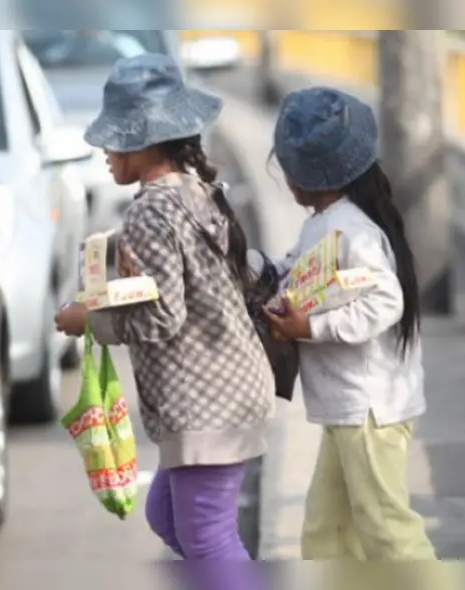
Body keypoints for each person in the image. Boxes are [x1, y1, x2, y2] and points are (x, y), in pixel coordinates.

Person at [53, 54, 275, 569]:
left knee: (208, 541)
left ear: (145, 140)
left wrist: (88, 321)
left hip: (206, 407)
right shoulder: (196, 192)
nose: (105, 151)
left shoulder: (150, 210)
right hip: (230, 391)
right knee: (168, 518)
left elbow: (161, 318)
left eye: (114, 138)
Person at [261, 86, 437, 561]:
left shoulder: (352, 231)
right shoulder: (326, 222)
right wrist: (249, 267)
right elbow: (290, 268)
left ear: (305, 175)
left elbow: (385, 301)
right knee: (326, 533)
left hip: (369, 411)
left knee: (388, 532)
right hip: (349, 411)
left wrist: (310, 329)